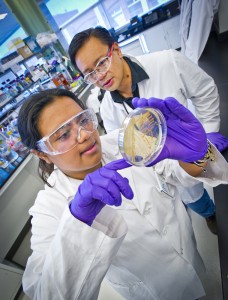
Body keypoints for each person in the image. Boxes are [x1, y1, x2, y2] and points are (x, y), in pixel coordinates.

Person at [18, 88, 228, 300]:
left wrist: (199, 155)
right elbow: (45, 293)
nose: (84, 136)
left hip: (192, 255)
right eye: (64, 135)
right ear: (42, 154)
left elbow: (172, 170)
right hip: (157, 292)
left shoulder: (122, 141)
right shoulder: (47, 207)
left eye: (83, 121)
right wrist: (78, 221)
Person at [68, 26, 228, 233]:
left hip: (197, 147)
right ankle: (209, 214)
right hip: (165, 173)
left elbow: (205, 91)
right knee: (193, 197)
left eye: (101, 63)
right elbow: (130, 150)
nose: (99, 76)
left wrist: (207, 132)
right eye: (89, 73)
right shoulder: (108, 108)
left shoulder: (167, 62)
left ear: (116, 50)